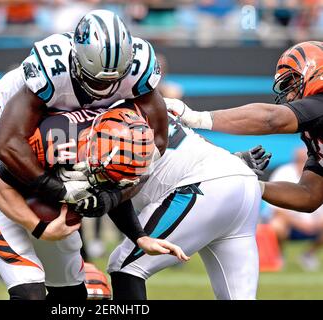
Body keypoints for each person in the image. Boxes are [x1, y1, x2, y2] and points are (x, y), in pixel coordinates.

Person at [0, 9, 167, 263]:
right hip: (17, 114)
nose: (102, 90)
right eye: (95, 81)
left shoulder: (138, 69)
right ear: (77, 60)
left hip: (82, 125)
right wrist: (57, 189)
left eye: (112, 82)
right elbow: (6, 145)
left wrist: (112, 194)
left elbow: (155, 145)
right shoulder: (50, 70)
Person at [0, 104, 189, 300]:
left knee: (71, 295)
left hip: (46, 201)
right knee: (29, 289)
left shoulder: (110, 148)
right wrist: (39, 227)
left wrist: (140, 237)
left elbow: (115, 187)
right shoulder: (54, 139)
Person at [108, 109, 269, 300]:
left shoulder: (109, 117)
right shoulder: (151, 105)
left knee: (124, 266)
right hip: (242, 179)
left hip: (205, 184)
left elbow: (113, 183)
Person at [164, 41, 323, 213]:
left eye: (292, 81)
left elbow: (273, 119)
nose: (290, 95)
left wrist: (197, 118)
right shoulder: (315, 132)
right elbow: (308, 195)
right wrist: (249, 182)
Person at [268, 147, 323, 271]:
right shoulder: (283, 172)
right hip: (291, 224)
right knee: (276, 225)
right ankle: (279, 256)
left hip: (316, 224)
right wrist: (300, 224)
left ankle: (308, 254)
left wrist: (318, 222)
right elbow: (277, 210)